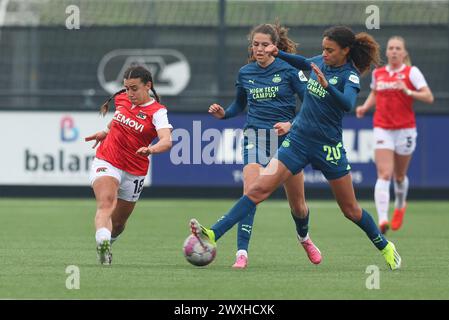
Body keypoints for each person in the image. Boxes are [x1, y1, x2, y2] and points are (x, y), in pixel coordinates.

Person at [189, 26, 402, 270]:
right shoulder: (319, 62)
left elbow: (347, 104)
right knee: (258, 189)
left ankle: (385, 246)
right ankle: (214, 234)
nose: (324, 54)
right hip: (298, 140)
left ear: (345, 51)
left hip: (327, 147)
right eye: (323, 48)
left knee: (351, 210)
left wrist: (327, 86)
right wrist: (278, 54)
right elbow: (302, 61)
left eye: (330, 50)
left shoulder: (349, 76)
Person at [208, 23, 321, 269]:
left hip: (289, 141)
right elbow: (239, 105)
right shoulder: (245, 73)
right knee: (251, 192)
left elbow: (310, 105)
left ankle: (304, 237)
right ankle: (241, 253)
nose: (259, 49)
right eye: (255, 44)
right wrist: (224, 114)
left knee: (298, 205)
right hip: (256, 136)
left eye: (264, 44)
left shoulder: (290, 70)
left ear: (275, 46)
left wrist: (291, 125)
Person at [85, 65, 173, 265]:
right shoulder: (122, 99)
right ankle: (102, 244)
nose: (129, 93)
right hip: (107, 160)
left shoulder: (158, 112)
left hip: (135, 171)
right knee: (106, 202)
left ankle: (108, 244)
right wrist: (104, 133)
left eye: (134, 88)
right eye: (126, 88)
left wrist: (151, 150)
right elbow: (117, 120)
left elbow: (166, 141)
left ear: (147, 86)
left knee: (118, 223)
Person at [356, 36, 434, 234]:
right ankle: (382, 219)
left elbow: (428, 96)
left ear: (404, 53)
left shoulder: (411, 72)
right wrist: (365, 107)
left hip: (405, 129)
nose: (394, 52)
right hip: (383, 128)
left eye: (398, 48)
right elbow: (375, 93)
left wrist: (408, 91)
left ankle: (400, 205)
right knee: (384, 173)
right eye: (391, 48)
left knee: (399, 176)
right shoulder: (379, 73)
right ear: (387, 52)